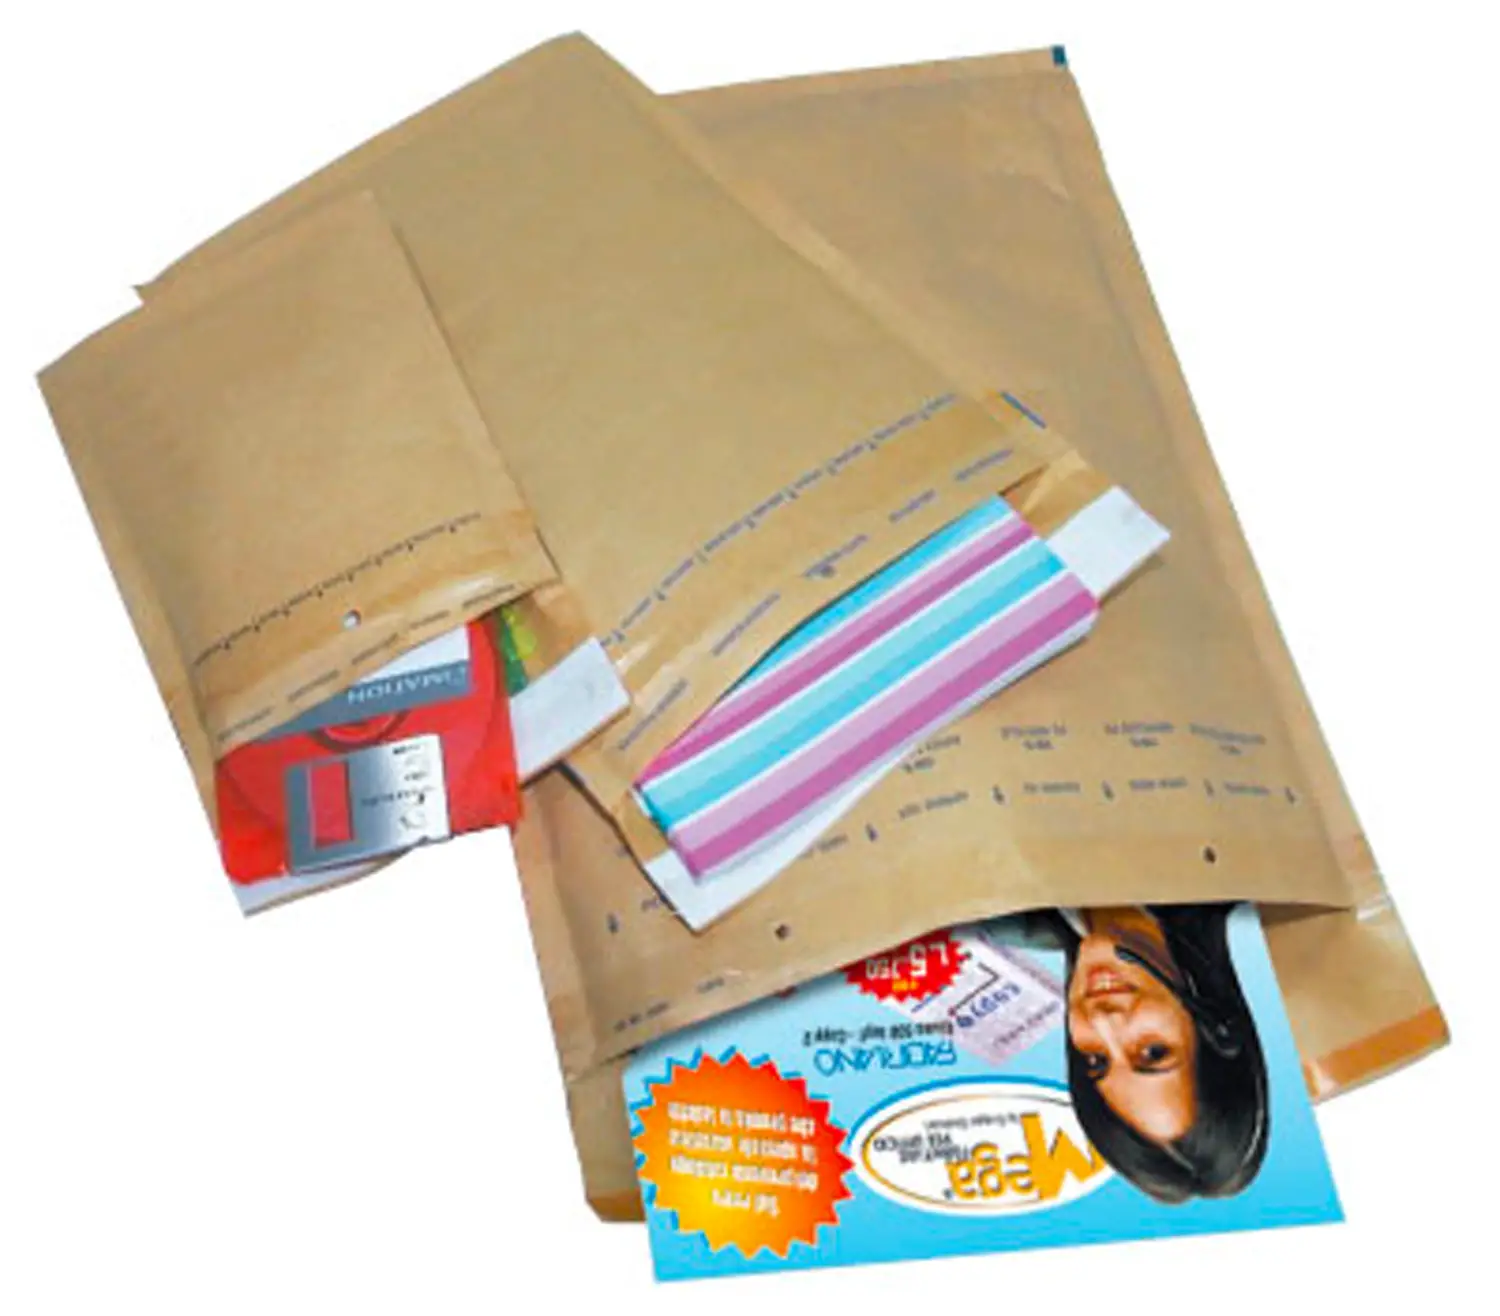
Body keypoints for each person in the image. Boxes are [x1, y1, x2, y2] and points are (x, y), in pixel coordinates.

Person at [1053, 903, 1269, 1204]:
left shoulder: (1012, 921)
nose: (1103, 1021)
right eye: (1153, 1052)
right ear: (1216, 1025)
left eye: (1096, 1060)